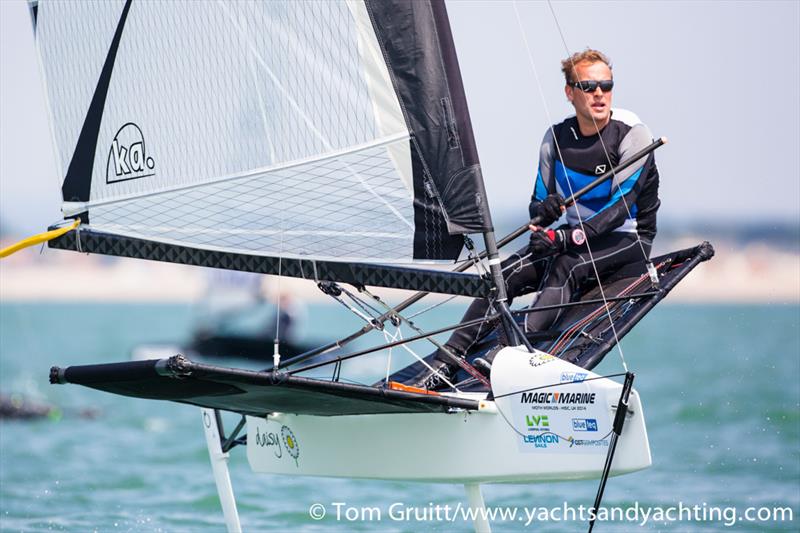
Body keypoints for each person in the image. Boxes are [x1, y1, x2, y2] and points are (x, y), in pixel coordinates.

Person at [407, 49, 660, 389]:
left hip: (628, 238)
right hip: (574, 236)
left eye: (606, 85)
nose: (599, 93)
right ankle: (446, 359)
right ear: (570, 92)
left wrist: (566, 239)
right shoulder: (555, 139)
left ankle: (507, 352)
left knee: (567, 264)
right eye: (588, 86)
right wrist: (547, 213)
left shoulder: (632, 134)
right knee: (506, 271)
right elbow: (537, 207)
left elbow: (619, 208)